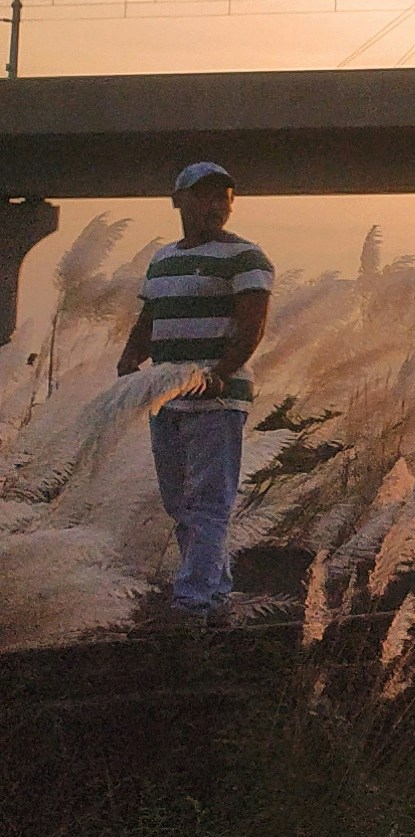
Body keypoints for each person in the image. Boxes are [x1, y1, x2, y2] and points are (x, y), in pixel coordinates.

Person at [119, 160, 275, 625]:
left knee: (208, 500)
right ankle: (216, 595)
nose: (214, 205)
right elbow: (150, 319)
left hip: (216, 399)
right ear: (178, 200)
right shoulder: (163, 260)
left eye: (222, 197)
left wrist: (220, 373)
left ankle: (192, 601)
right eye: (203, 195)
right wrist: (130, 358)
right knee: (179, 502)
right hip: (166, 397)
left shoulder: (246, 257)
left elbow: (252, 324)